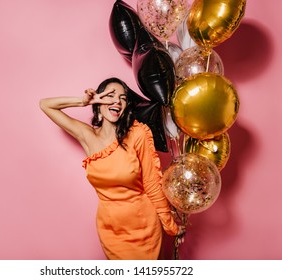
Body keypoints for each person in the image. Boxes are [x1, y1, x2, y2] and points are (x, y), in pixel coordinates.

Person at [39, 77, 184, 260]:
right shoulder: (88, 136)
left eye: (123, 98)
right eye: (110, 95)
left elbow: (152, 184)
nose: (117, 101)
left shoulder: (137, 134)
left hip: (143, 227)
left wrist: (170, 226)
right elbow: (45, 105)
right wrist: (83, 101)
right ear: (99, 102)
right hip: (111, 231)